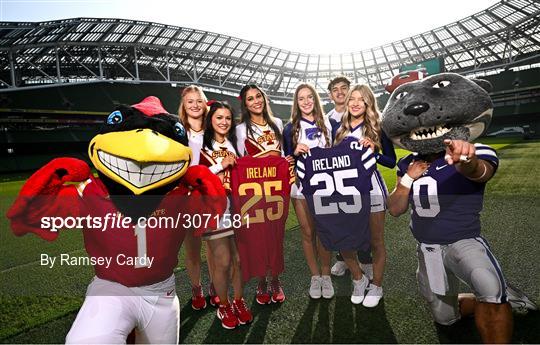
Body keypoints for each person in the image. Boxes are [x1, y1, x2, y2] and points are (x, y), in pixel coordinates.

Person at [333, 84, 396, 307]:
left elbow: (391, 161)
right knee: (344, 238)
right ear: (347, 102)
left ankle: (376, 286)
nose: (356, 103)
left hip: (371, 187)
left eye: (362, 99)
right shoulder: (338, 129)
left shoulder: (378, 127)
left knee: (376, 241)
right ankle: (358, 279)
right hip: (345, 191)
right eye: (352, 99)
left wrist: (374, 152)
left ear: (368, 103)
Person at [199, 101, 253, 330]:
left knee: (239, 260)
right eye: (219, 117)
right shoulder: (200, 143)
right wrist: (220, 165)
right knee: (222, 261)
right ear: (210, 119)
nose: (223, 122)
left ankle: (239, 301)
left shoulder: (235, 143)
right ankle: (223, 305)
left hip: (238, 207)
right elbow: (195, 176)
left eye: (228, 118)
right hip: (214, 209)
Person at [236, 84, 287, 305]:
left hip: (276, 189)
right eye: (250, 99)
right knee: (257, 237)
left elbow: (282, 155)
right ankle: (261, 281)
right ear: (245, 104)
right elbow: (240, 160)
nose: (256, 101)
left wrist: (287, 161)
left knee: (276, 235)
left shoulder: (277, 124)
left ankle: (275, 279)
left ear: (264, 99)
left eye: (258, 96)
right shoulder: (240, 129)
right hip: (254, 190)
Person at [283, 83, 335, 299]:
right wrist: (294, 152)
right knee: (307, 232)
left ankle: (326, 274)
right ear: (296, 102)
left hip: (325, 186)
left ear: (315, 100)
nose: (305, 102)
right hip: (301, 187)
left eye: (309, 97)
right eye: (301, 98)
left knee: (324, 231)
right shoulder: (290, 128)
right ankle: (315, 277)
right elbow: (285, 160)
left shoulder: (328, 125)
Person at [326, 76, 376, 283]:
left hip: (366, 182)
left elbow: (387, 158)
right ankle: (343, 258)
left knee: (364, 224)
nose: (340, 92)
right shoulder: (329, 121)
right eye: (335, 90)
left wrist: (374, 149)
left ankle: (366, 260)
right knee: (342, 221)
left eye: (344, 89)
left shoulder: (373, 123)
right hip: (340, 181)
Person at [178, 85, 219, 310]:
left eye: (198, 100)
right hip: (186, 196)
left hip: (210, 194)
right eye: (189, 101)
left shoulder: (215, 129)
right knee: (192, 248)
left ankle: (215, 286)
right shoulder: (177, 131)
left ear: (205, 103)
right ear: (184, 106)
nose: (195, 105)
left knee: (213, 246)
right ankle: (197, 288)